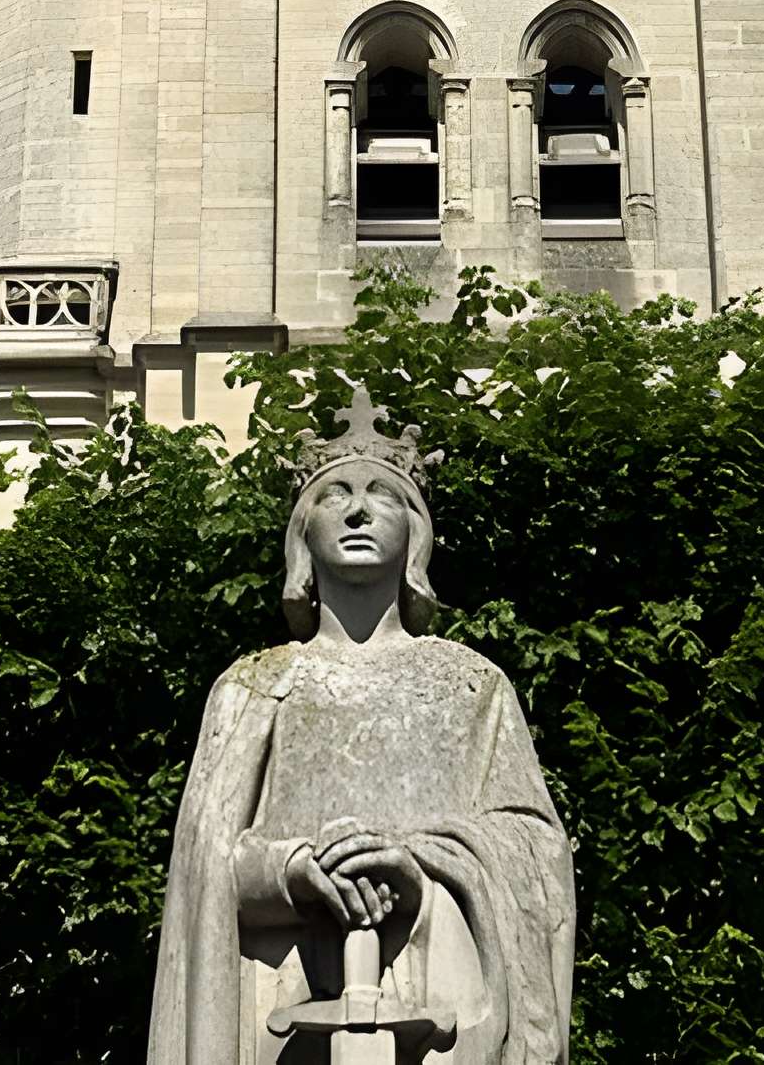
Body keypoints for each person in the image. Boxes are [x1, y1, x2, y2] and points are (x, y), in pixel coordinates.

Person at [148, 387, 575, 1065]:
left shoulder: (470, 684)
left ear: (414, 534)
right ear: (301, 536)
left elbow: (535, 850)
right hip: (280, 1003)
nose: (354, 508)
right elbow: (205, 871)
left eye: (382, 493)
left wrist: (418, 864)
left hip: (438, 1003)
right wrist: (295, 869)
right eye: (332, 494)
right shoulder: (251, 686)